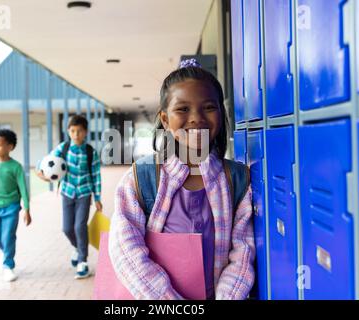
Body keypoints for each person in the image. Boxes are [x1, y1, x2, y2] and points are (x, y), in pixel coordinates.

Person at [108, 59, 255, 300]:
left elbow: (243, 252)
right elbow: (125, 250)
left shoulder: (237, 180)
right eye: (183, 109)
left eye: (208, 107)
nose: (196, 118)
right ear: (165, 119)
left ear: (221, 112)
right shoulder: (140, 178)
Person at [37, 115, 102, 279]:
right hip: (67, 192)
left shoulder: (90, 152)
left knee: (80, 226)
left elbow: (96, 175)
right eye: (73, 131)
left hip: (84, 193)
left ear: (85, 132)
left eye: (79, 131)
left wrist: (98, 197)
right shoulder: (63, 148)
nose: (76, 134)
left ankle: (83, 261)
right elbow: (47, 160)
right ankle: (78, 248)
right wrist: (41, 170)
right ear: (68, 131)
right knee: (67, 228)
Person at [0, 129, 32, 282]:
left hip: (12, 207)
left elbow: (23, 188)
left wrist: (27, 209)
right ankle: (6, 254)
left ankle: (8, 266)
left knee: (8, 236)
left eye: (0, 145)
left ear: (10, 147)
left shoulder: (16, 167)